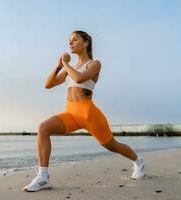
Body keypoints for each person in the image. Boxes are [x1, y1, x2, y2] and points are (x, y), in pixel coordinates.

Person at [22, 30, 147, 192]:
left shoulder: (94, 64)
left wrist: (66, 64)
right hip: (71, 114)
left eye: (75, 40)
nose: (70, 43)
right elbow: (48, 84)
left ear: (85, 43)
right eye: (69, 40)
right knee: (43, 128)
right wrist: (59, 66)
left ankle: (139, 162)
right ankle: (43, 177)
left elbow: (80, 78)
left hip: (89, 115)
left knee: (112, 145)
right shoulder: (70, 68)